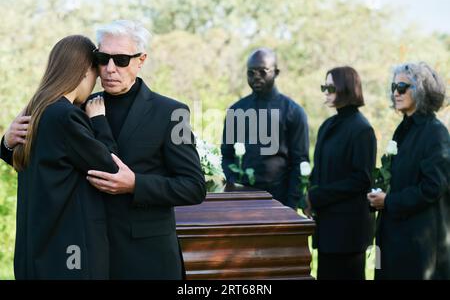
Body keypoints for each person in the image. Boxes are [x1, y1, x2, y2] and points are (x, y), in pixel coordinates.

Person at [82, 20, 206, 279]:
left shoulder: (172, 113)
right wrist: (7, 142)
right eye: (102, 58)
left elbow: (193, 187)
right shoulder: (81, 108)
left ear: (141, 60)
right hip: (93, 255)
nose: (110, 69)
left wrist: (136, 184)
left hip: (150, 259)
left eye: (121, 60)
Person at [0, 35, 119, 279]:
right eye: (95, 77)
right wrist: (99, 120)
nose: (93, 86)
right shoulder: (65, 117)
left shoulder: (38, 110)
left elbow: (22, 160)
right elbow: (110, 166)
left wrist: (4, 144)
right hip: (70, 257)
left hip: (38, 252)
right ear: (84, 71)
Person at [368, 62, 450, 280]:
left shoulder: (436, 133)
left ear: (422, 90)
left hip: (420, 247)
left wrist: (389, 201)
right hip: (393, 240)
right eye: (394, 86)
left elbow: (432, 188)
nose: (396, 92)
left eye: (403, 87)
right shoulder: (402, 130)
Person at [304, 66, 377, 280]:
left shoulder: (362, 129)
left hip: (348, 231)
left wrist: (316, 197)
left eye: (330, 87)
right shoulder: (328, 125)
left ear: (346, 88)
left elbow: (361, 179)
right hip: (327, 226)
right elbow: (319, 169)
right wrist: (308, 196)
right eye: (323, 87)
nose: (325, 91)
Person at [221, 48, 309, 209]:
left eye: (263, 71)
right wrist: (234, 187)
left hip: (279, 200)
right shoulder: (236, 111)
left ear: (276, 72)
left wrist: (290, 206)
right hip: (241, 201)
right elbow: (226, 155)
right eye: (251, 72)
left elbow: (300, 161)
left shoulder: (293, 111)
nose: (256, 77)